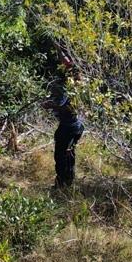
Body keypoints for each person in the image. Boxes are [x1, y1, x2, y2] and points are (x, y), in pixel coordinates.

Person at [41, 55, 84, 188]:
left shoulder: (70, 87)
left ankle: (62, 184)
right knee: (69, 154)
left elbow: (64, 105)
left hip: (69, 127)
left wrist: (50, 105)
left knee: (61, 156)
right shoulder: (78, 85)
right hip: (75, 126)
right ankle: (67, 182)